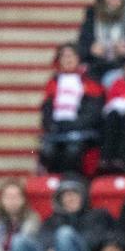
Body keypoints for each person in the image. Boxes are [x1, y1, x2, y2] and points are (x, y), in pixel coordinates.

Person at [41, 43, 104, 174]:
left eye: (71, 56)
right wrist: (52, 125)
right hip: (57, 130)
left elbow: (93, 112)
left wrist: (74, 125)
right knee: (48, 150)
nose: (68, 59)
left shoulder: (89, 81)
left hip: (81, 131)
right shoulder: (53, 82)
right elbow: (46, 111)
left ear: (79, 58)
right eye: (64, 56)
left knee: (73, 151)